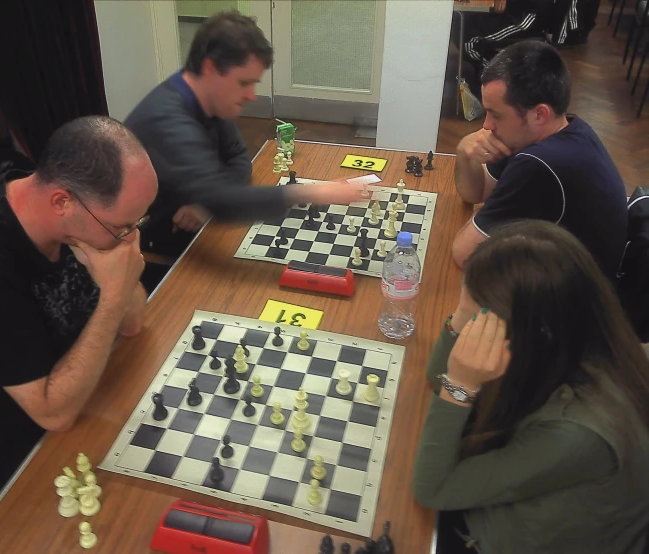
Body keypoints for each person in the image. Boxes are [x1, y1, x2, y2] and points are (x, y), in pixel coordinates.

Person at [0, 116, 157, 498]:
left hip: (78, 392)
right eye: (121, 228)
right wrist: (112, 297)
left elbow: (133, 324)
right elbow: (53, 413)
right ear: (61, 201)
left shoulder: (69, 213)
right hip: (5, 448)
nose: (129, 240)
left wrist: (119, 282)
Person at [413, 221, 649, 554]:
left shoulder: (579, 432)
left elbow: (432, 489)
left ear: (531, 328)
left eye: (486, 310)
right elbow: (436, 376)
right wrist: (463, 314)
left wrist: (461, 385)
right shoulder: (571, 337)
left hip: (499, 535)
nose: (479, 322)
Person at [125, 11, 361, 258]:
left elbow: (238, 158)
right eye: (243, 83)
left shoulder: (210, 99)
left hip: (205, 228)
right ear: (210, 68)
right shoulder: (168, 120)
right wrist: (311, 192)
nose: (251, 95)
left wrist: (208, 202)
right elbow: (226, 203)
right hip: (152, 248)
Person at [452, 41, 627, 277]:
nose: (486, 125)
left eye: (495, 114)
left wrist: (484, 217)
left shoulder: (541, 163)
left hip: (576, 304)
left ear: (539, 114)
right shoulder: (564, 128)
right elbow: (476, 192)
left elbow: (464, 254)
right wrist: (464, 152)